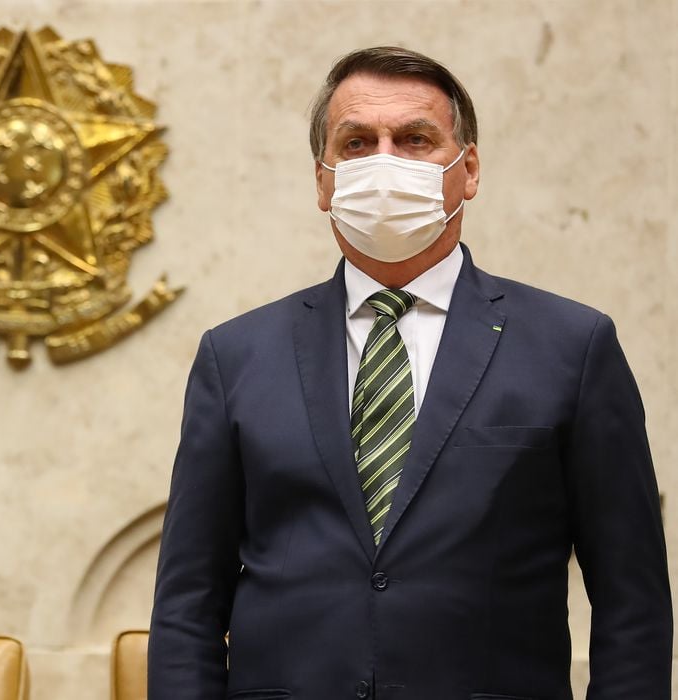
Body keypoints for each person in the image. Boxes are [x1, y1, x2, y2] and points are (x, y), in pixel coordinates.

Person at [149, 46, 671, 698]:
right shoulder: (237, 355)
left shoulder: (573, 346)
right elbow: (187, 604)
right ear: (323, 180)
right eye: (358, 142)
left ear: (469, 167)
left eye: (416, 139)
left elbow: (633, 603)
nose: (386, 162)